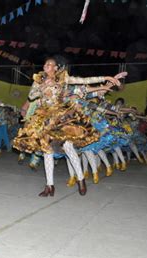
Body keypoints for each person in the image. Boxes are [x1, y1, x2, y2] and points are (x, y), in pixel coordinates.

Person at [13, 58, 124, 197]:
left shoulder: (63, 79)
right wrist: (41, 88)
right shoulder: (39, 80)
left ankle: (81, 179)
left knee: (68, 147)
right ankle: (49, 186)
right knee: (47, 151)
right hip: (45, 118)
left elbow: (84, 81)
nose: (46, 65)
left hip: (61, 117)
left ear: (55, 67)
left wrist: (105, 78)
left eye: (50, 64)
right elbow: (31, 96)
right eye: (45, 63)